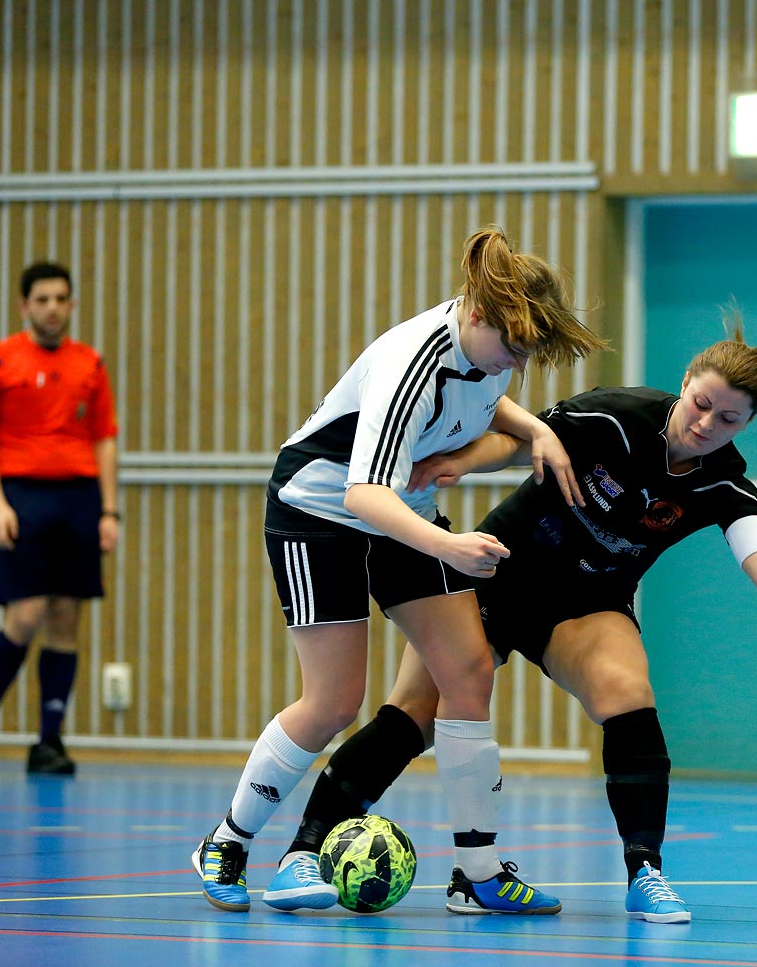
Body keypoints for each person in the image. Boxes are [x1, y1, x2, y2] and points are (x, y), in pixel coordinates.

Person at [258, 314, 757, 923]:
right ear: (686, 383)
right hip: (495, 573)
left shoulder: (725, 485)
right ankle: (304, 852)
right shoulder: (615, 416)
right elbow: (526, 439)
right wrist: (466, 461)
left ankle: (646, 873)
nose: (706, 424)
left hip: (585, 603)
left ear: (748, 423)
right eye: (702, 403)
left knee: (628, 694)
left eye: (728, 419)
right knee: (413, 716)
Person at [192, 226, 606, 915]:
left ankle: (476, 873)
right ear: (476, 313)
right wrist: (450, 547)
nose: (517, 364)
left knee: (468, 673)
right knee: (333, 701)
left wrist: (534, 429)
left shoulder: (492, 350)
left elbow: (485, 394)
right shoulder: (410, 362)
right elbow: (361, 493)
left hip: (400, 508)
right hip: (320, 512)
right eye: (513, 347)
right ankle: (228, 841)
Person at [0, 261, 121, 776]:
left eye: (61, 299)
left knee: (65, 618)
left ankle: (49, 740)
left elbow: (104, 438)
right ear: (25, 305)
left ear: (72, 305)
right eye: (42, 299)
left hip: (77, 498)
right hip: (22, 495)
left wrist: (108, 509)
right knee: (24, 615)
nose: (52, 308)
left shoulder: (89, 364)